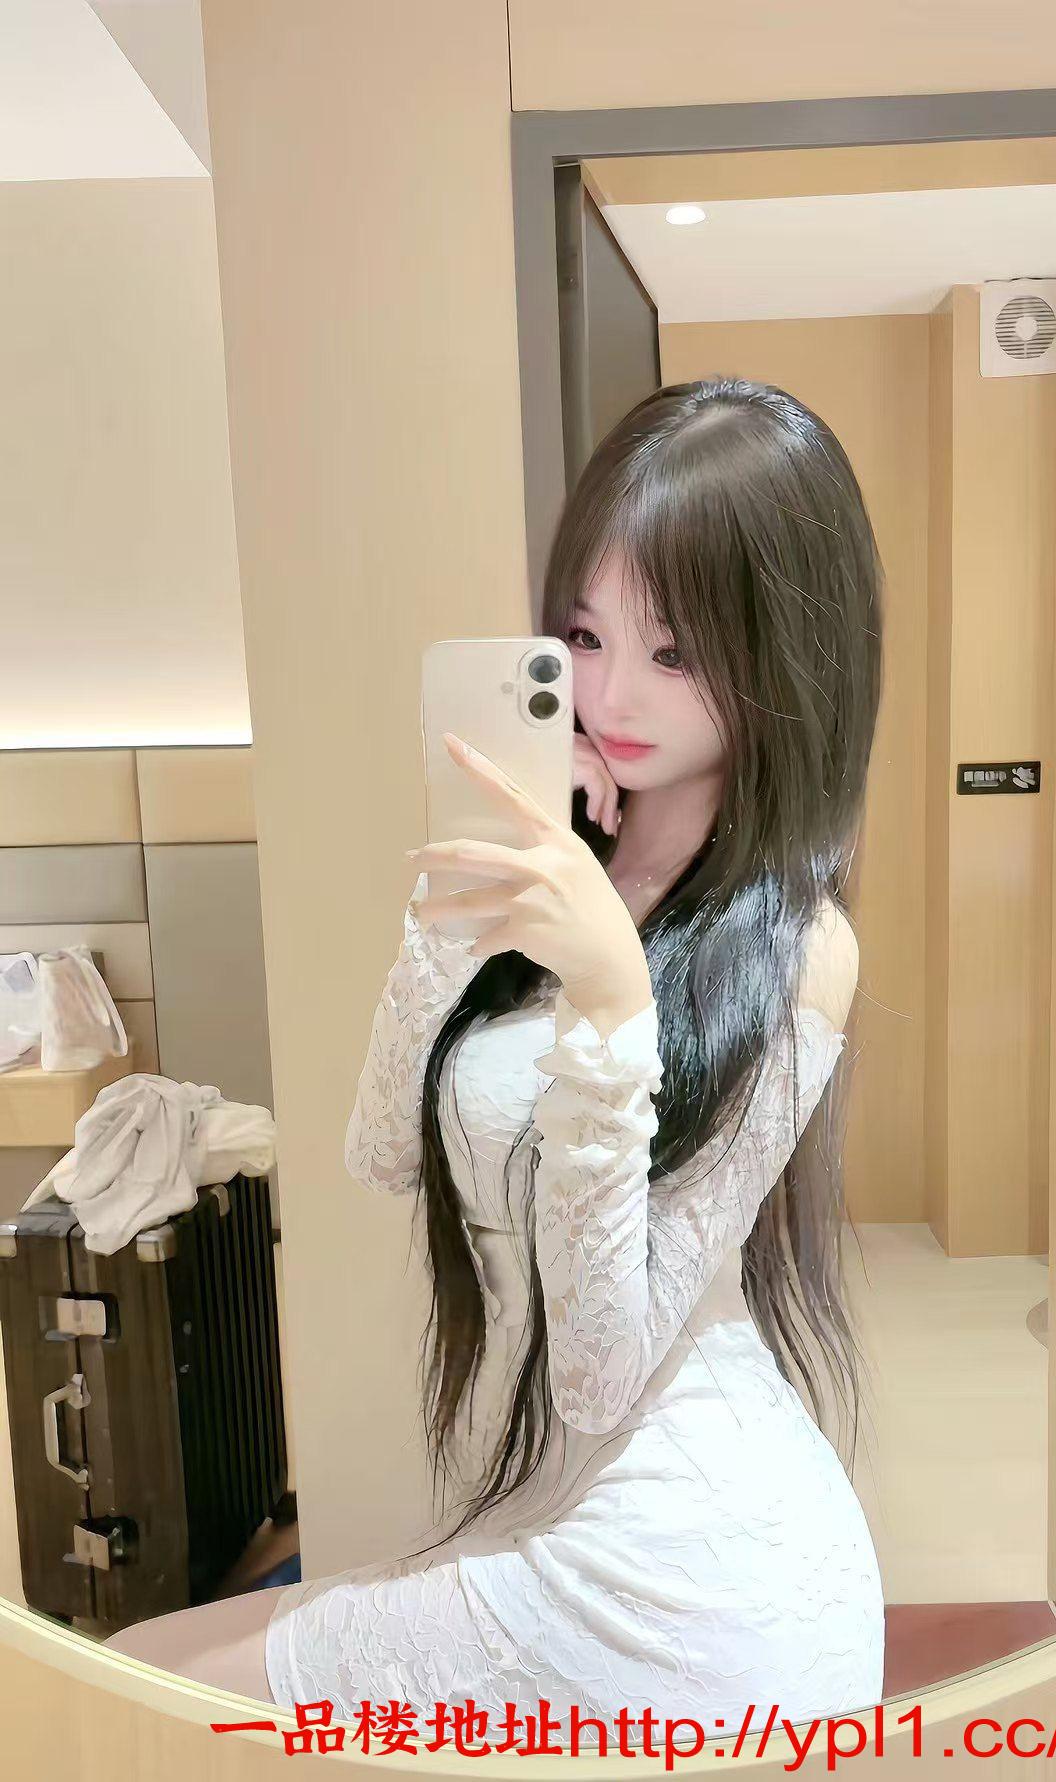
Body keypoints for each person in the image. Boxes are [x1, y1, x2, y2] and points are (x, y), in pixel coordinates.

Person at [104, 376, 887, 1735]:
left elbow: (599, 1371)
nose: (611, 693)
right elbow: (379, 1151)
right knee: (127, 1676)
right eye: (585, 634)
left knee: (142, 1713)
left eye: (676, 652)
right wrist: (461, 906)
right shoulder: (567, 862)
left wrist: (612, 999)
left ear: (784, 658)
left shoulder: (799, 948)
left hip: (695, 1572)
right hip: (559, 1513)